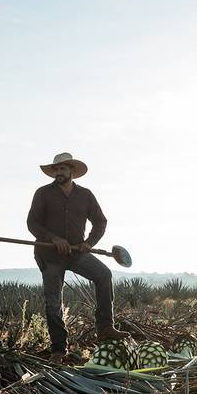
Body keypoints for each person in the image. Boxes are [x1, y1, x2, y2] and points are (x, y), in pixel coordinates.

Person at [27, 152, 122, 362]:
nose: (58, 172)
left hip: (76, 253)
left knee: (104, 275)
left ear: (72, 171)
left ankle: (105, 327)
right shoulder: (42, 193)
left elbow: (100, 222)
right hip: (49, 255)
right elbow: (32, 223)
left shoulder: (85, 195)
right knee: (54, 302)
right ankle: (59, 349)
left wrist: (89, 243)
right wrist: (53, 238)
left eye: (62, 169)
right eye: (55, 169)